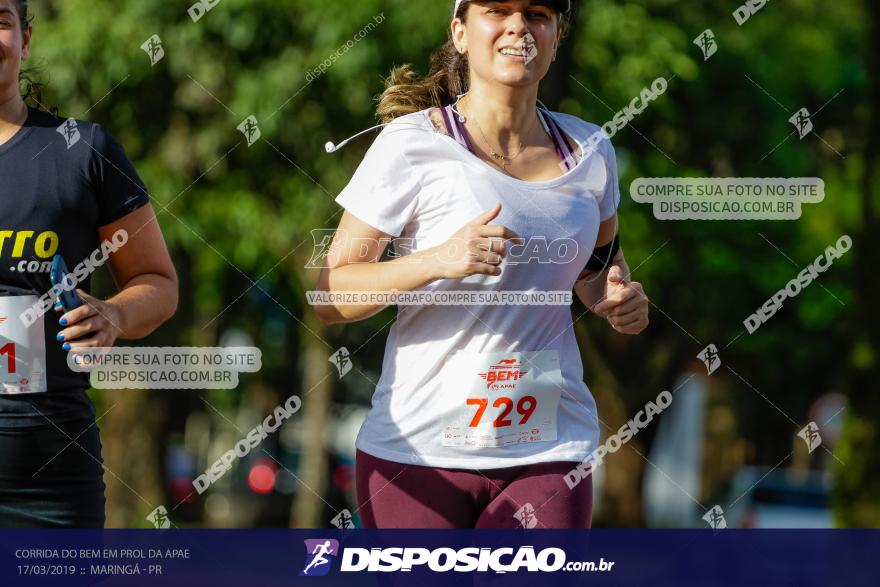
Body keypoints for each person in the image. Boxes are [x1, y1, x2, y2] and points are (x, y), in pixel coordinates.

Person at [316, 0, 649, 528]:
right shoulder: (412, 144)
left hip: (549, 444)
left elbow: (599, 277)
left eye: (538, 13)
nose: (519, 26)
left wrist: (620, 302)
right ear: (461, 33)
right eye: (498, 10)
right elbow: (332, 296)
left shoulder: (591, 148)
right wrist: (439, 260)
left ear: (556, 36)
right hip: (420, 450)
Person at [0, 0, 178, 527]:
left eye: (1, 21)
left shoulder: (79, 151)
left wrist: (116, 316)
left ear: (25, 38)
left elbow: (159, 282)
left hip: (48, 481)